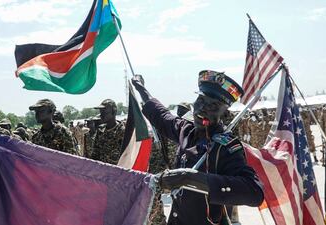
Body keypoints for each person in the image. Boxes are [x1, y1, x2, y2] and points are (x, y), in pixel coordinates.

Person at [132, 71, 264, 225]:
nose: (202, 109)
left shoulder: (226, 148)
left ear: (225, 115)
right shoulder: (186, 131)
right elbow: (161, 115)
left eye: (213, 105)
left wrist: (191, 179)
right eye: (200, 100)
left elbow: (254, 192)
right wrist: (141, 89)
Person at [91, 99, 125, 165]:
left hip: (117, 172)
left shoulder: (122, 131)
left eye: (104, 112)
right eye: (101, 112)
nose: (101, 115)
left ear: (114, 112)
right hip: (102, 172)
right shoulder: (100, 130)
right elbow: (95, 153)